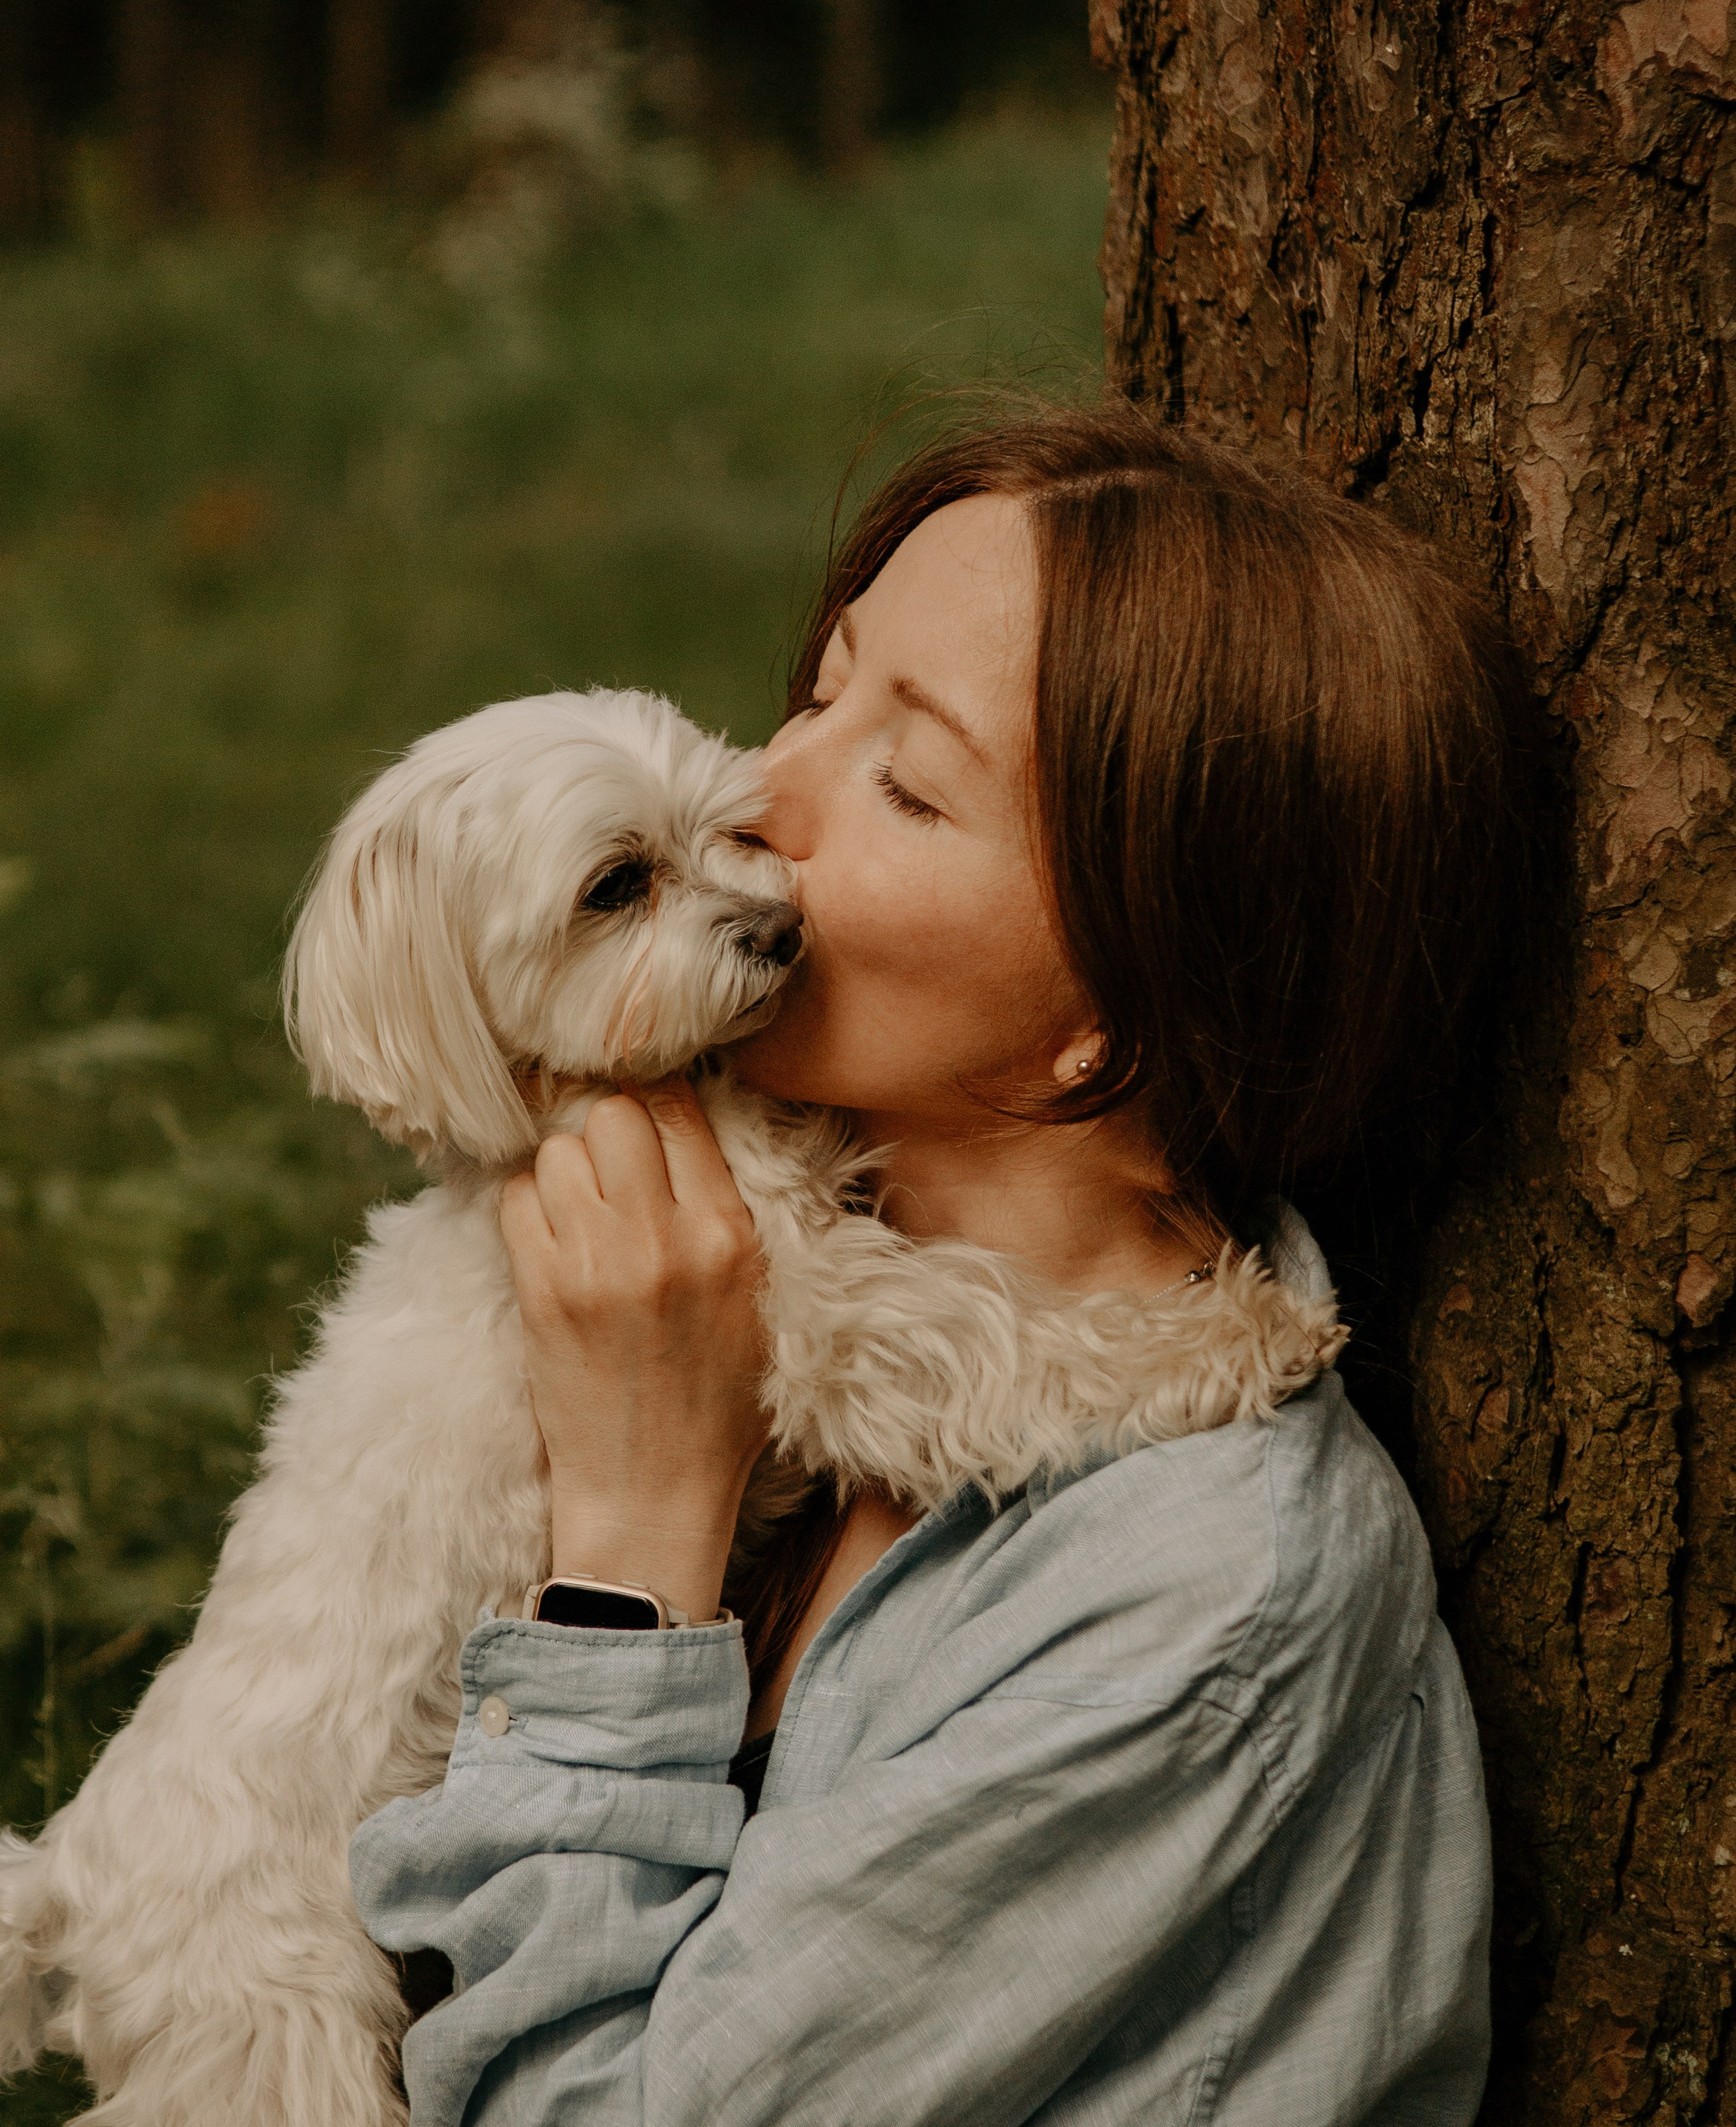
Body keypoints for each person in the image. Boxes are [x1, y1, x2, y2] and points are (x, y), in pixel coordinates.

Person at [351, 402, 1528, 2125]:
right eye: (818, 693)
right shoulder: (707, 1264)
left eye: (904, 780)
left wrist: (625, 1556)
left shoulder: (1199, 1596)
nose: (765, 796)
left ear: (1118, 1011)